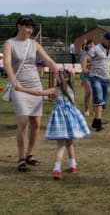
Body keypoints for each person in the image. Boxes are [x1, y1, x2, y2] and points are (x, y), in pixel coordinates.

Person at [2, 15, 58, 172]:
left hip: (35, 85)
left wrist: (59, 71)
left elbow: (48, 60)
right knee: (24, 121)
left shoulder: (34, 44)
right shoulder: (9, 44)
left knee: (36, 124)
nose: (29, 30)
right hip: (19, 87)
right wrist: (14, 81)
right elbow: (7, 63)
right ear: (19, 26)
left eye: (31, 28)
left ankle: (29, 154)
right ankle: (20, 158)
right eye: (27, 27)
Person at [15, 68, 90, 179]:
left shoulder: (56, 90)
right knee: (69, 143)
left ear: (59, 79)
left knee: (61, 146)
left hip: (60, 121)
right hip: (70, 121)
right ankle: (72, 165)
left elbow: (39, 93)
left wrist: (22, 89)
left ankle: (57, 168)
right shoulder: (70, 89)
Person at [81, 32, 110, 132]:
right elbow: (85, 58)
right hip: (95, 76)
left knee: (104, 102)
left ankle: (95, 121)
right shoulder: (96, 48)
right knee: (99, 99)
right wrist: (84, 69)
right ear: (104, 39)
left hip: (106, 78)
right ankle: (98, 123)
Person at [79, 39, 94, 116]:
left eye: (93, 44)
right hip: (85, 76)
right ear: (87, 45)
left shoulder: (95, 53)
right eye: (90, 44)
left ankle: (95, 109)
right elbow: (83, 65)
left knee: (94, 92)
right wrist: (89, 65)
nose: (91, 45)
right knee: (89, 92)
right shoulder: (83, 53)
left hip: (94, 75)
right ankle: (86, 109)